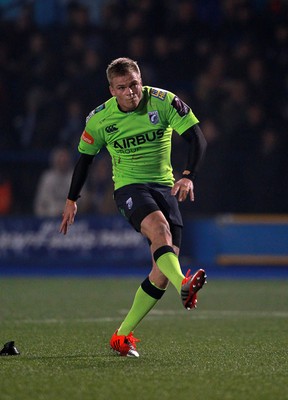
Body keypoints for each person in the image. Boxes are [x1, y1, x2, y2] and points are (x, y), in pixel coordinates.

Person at [59, 57, 207, 357]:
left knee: (160, 273)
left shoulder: (164, 102)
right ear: (112, 90)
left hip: (165, 188)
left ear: (141, 80)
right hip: (129, 188)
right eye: (122, 87)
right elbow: (85, 160)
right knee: (160, 231)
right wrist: (72, 199)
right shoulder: (99, 119)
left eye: (135, 84)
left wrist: (188, 177)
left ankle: (122, 335)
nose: (130, 92)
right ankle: (185, 283)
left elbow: (197, 140)